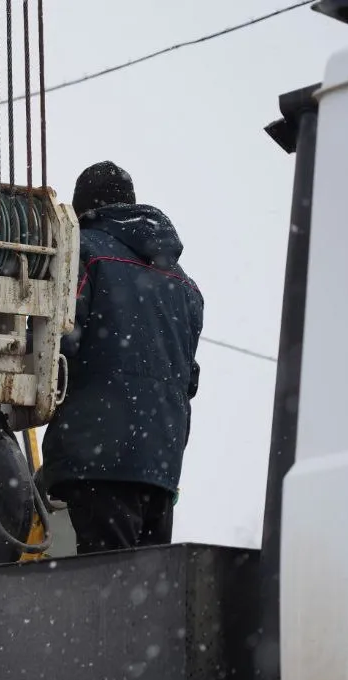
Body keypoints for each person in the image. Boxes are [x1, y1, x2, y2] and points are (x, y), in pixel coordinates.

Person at [40, 161, 203, 555]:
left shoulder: (87, 255)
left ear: (83, 212)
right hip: (160, 468)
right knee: (144, 596)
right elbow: (189, 379)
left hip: (98, 458)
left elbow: (61, 342)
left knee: (106, 592)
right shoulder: (185, 285)